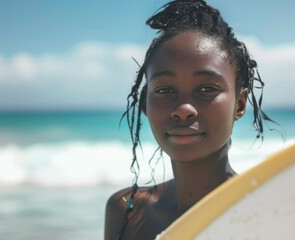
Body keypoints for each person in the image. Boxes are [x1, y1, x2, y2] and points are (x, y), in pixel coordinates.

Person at [105, 0, 276, 239]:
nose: (183, 109)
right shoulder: (126, 210)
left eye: (206, 89)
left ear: (240, 104)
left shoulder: (269, 216)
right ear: (145, 105)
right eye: (164, 90)